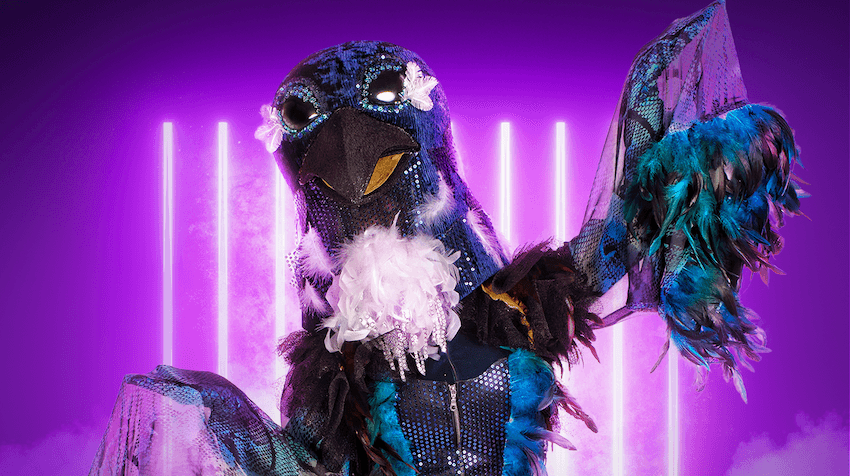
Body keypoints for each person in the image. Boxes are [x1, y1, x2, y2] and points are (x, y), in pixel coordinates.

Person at [90, 2, 802, 475]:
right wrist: (195, 422)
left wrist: (672, 135)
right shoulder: (333, 374)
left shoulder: (528, 306)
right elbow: (303, 464)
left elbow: (622, 232)